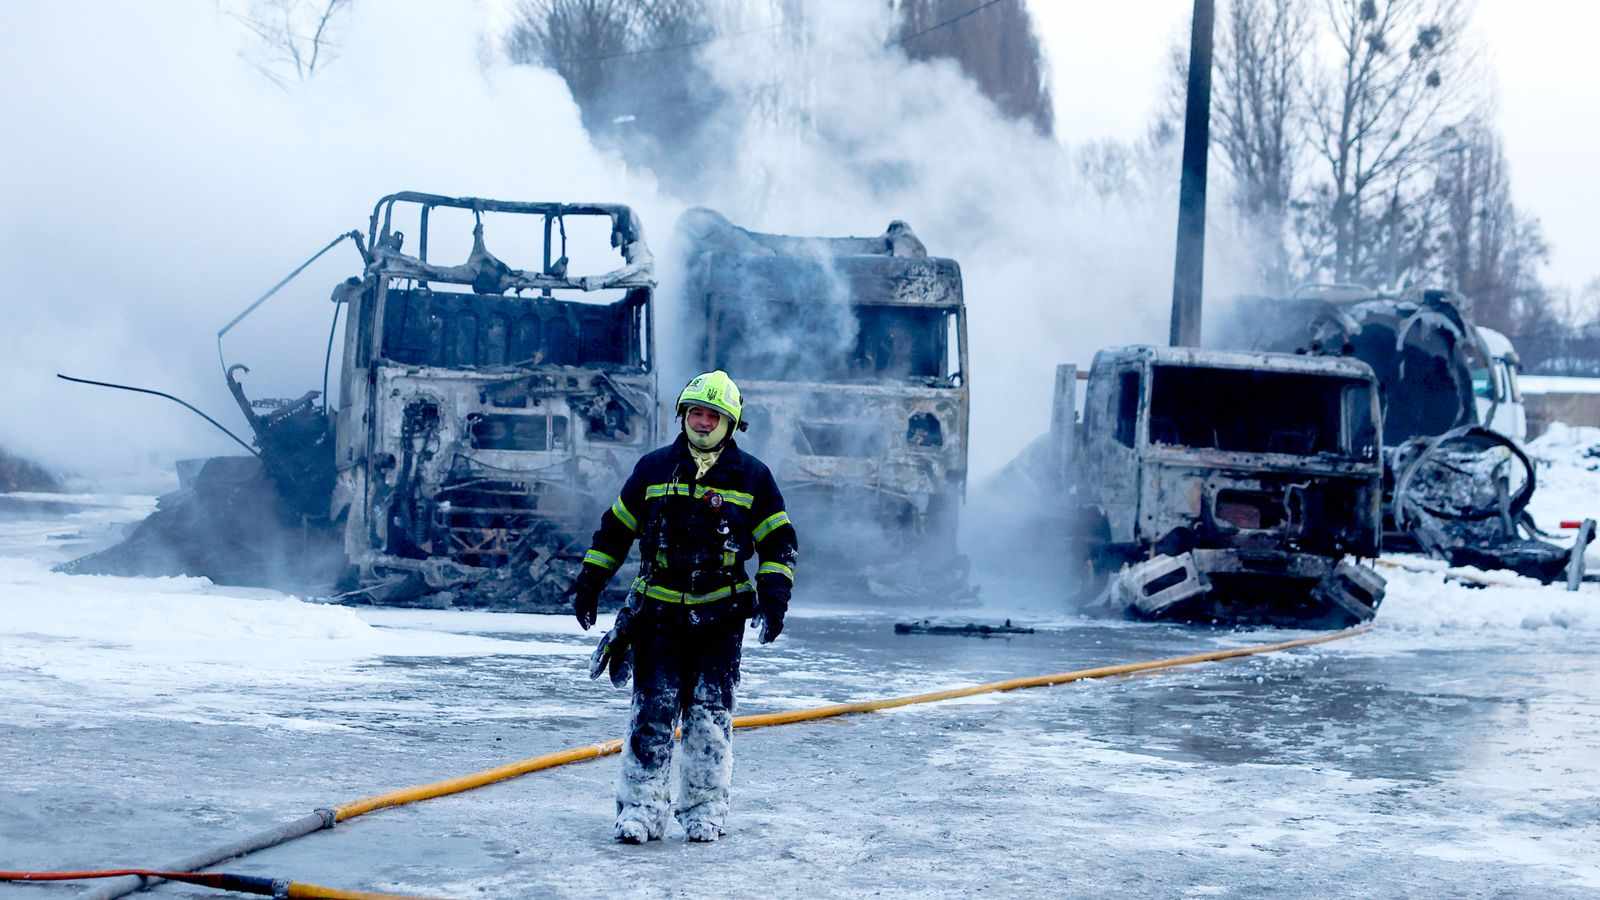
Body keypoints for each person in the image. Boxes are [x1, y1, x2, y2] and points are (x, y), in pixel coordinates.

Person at [572, 370, 798, 844]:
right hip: (657, 617)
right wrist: (591, 581)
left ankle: (704, 810)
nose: (702, 422)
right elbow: (615, 531)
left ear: (731, 422)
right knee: (651, 715)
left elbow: (778, 543)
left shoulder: (753, 477)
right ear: (683, 416)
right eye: (695, 412)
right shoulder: (654, 470)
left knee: (709, 719)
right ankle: (640, 810)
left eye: (713, 415)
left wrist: (775, 599)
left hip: (720, 619)